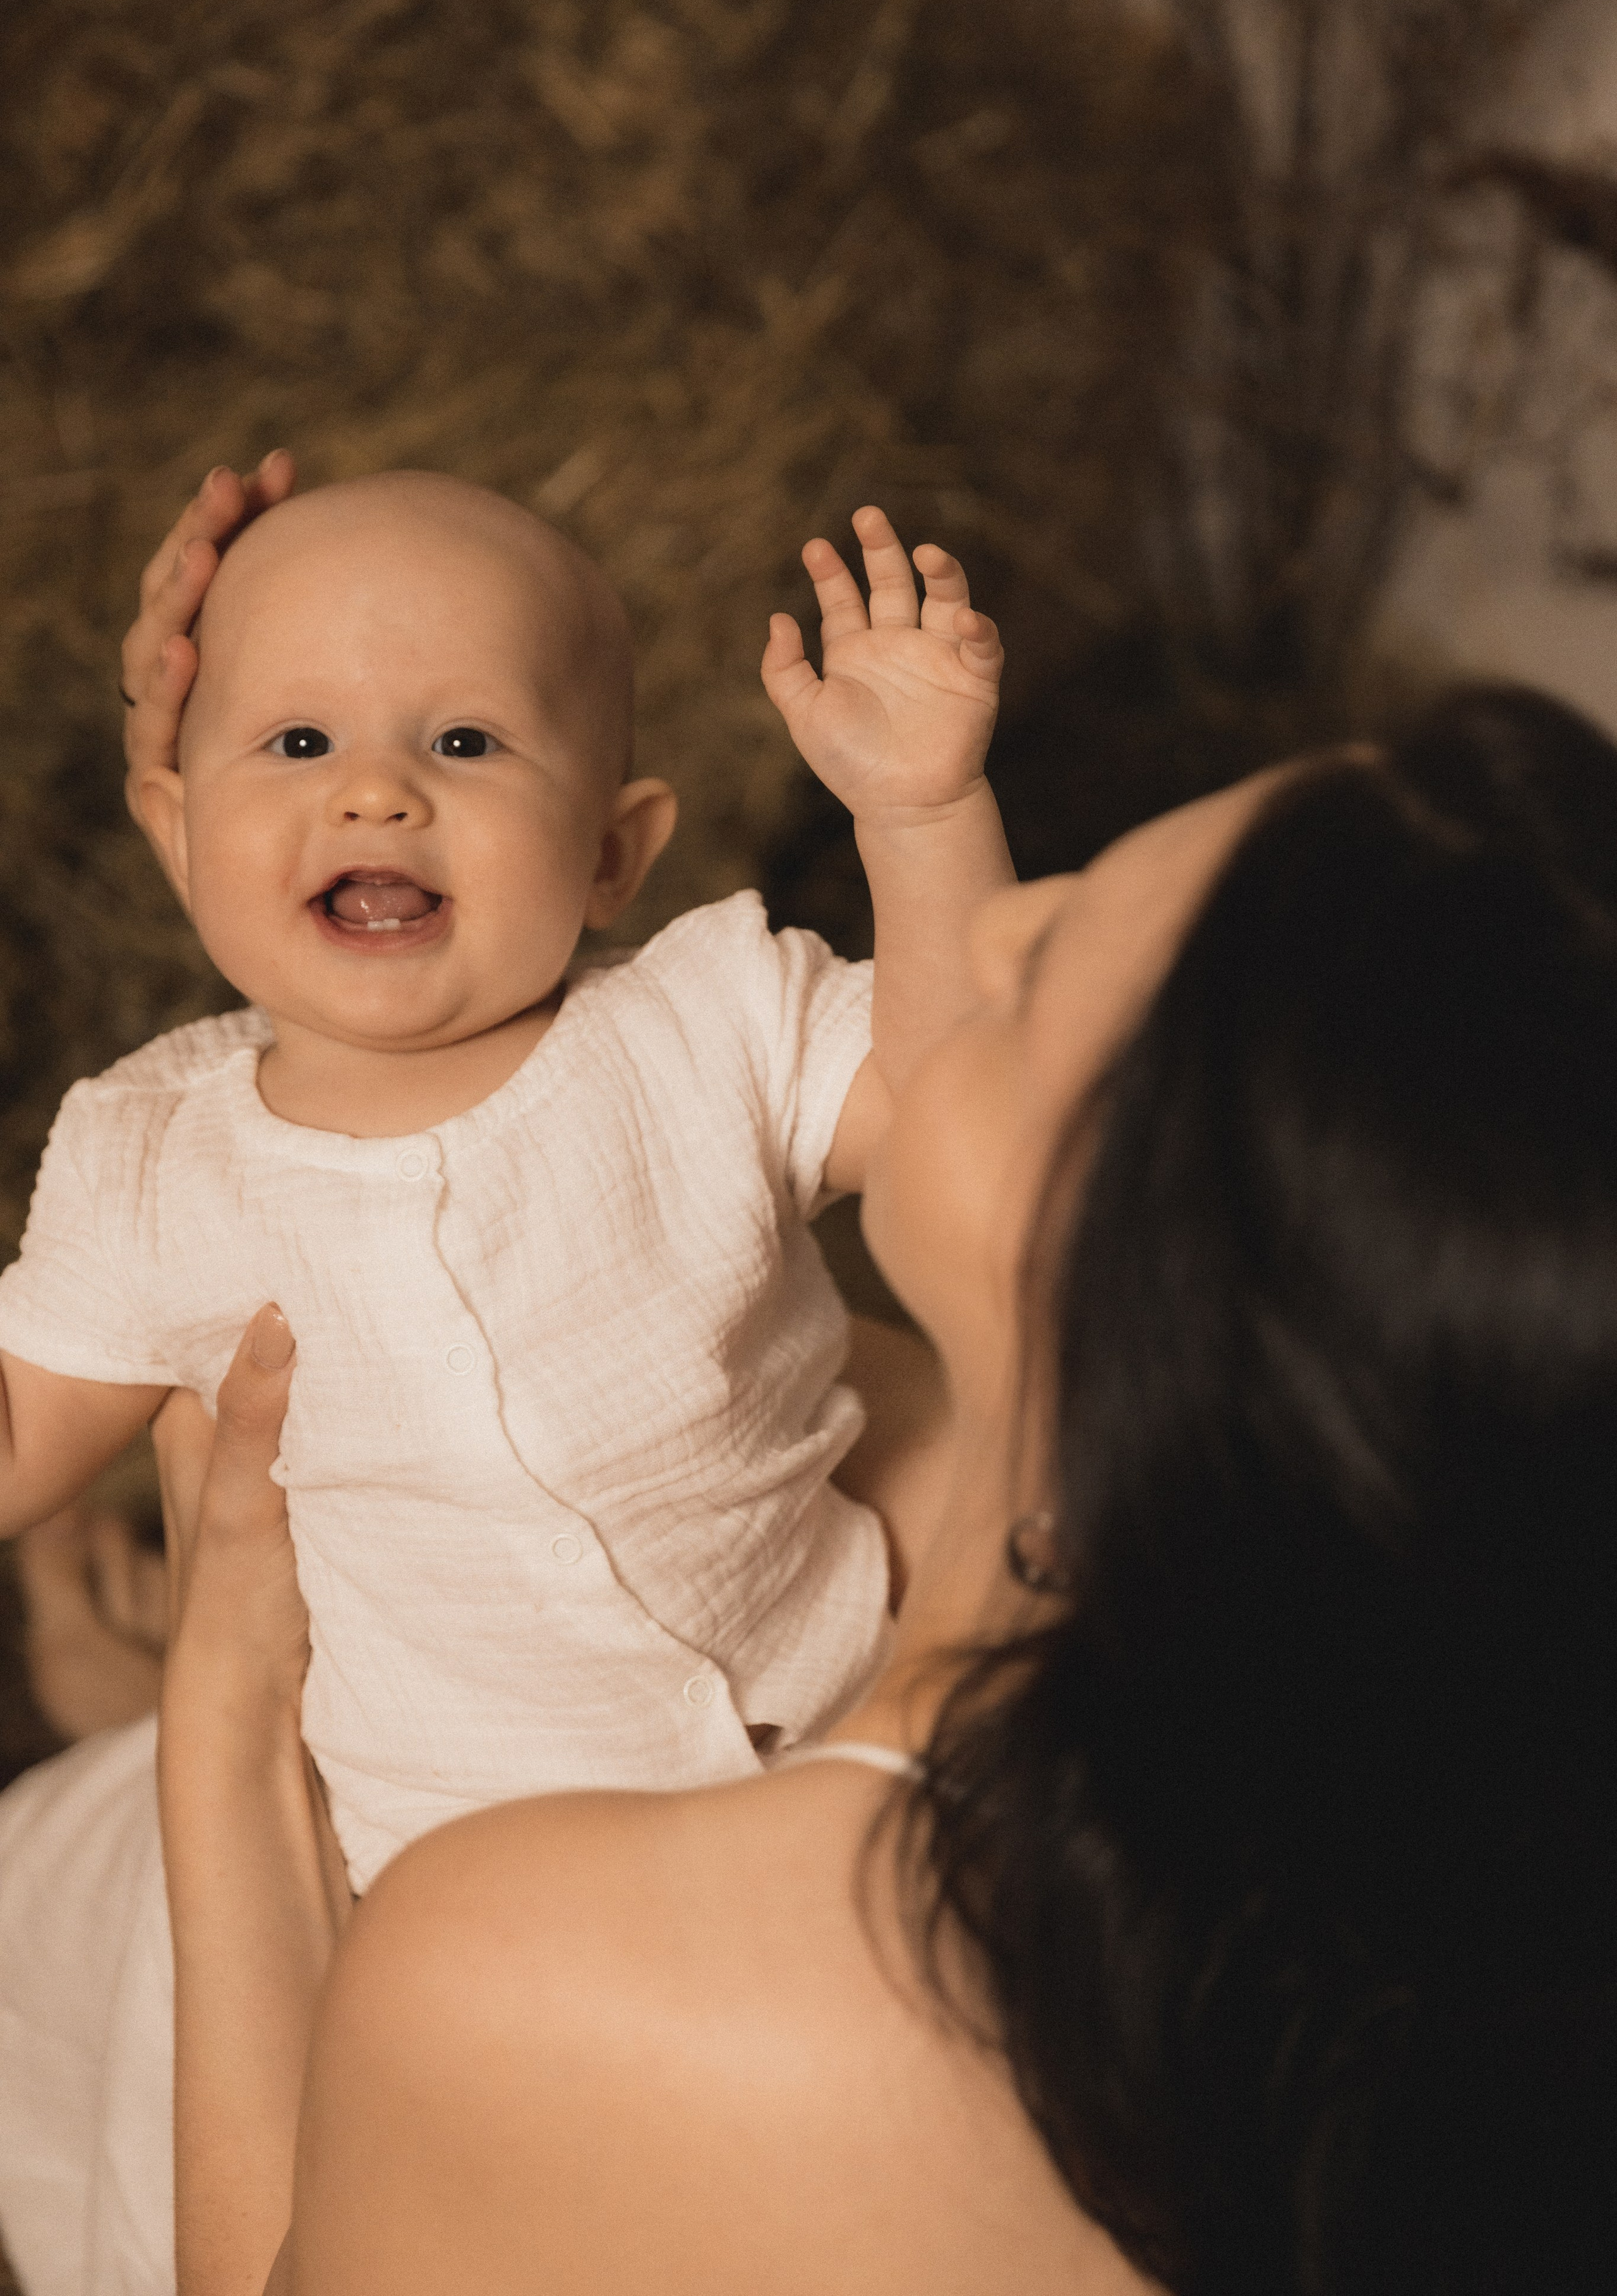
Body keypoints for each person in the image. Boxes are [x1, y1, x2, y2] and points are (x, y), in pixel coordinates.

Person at [145, 677, 1616, 2293]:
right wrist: (275, 742)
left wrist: (218, 1703)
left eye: (1049, 963)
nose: (989, 931)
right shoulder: (1462, 1850)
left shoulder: (521, 1972)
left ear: (1141, 1248)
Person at [0, 460, 999, 2292]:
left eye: (464, 744)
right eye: (294, 744)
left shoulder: (709, 1019)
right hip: (454, 1884)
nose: (376, 788)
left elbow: (961, 1106)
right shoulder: (152, 1162)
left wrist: (921, 817)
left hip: (849, 1736)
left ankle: (124, 1697)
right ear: (173, 822)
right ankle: (119, 1712)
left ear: (615, 849)